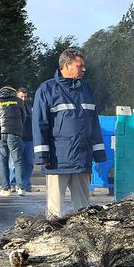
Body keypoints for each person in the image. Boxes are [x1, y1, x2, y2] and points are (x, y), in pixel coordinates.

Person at [32, 48, 106, 218]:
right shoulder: (47, 89)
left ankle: (84, 239)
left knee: (84, 210)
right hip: (58, 161)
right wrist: (43, 156)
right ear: (67, 65)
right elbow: (40, 123)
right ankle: (53, 240)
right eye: (80, 66)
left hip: (82, 159)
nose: (84, 69)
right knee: (55, 211)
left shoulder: (86, 89)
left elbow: (94, 123)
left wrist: (99, 154)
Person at [0, 86, 25, 196]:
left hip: (1, 134)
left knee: (3, 162)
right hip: (15, 133)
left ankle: (5, 189)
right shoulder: (19, 101)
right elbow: (24, 117)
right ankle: (21, 188)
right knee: (18, 161)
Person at [13, 87, 34, 192]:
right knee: (16, 163)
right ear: (17, 96)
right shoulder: (14, 107)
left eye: (25, 97)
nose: (23, 99)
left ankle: (26, 184)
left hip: (30, 138)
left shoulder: (29, 107)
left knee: (29, 163)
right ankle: (14, 183)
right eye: (21, 96)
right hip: (18, 138)